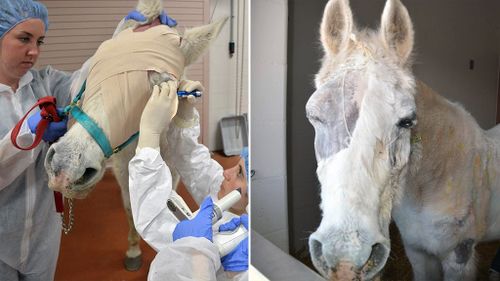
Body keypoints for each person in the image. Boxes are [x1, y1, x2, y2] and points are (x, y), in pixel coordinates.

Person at [128, 81, 249, 281]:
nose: (226, 172)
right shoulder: (229, 197)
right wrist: (185, 117)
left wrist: (149, 135)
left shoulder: (237, 249)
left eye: (240, 174)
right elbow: (195, 162)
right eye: (236, 166)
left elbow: (154, 219)